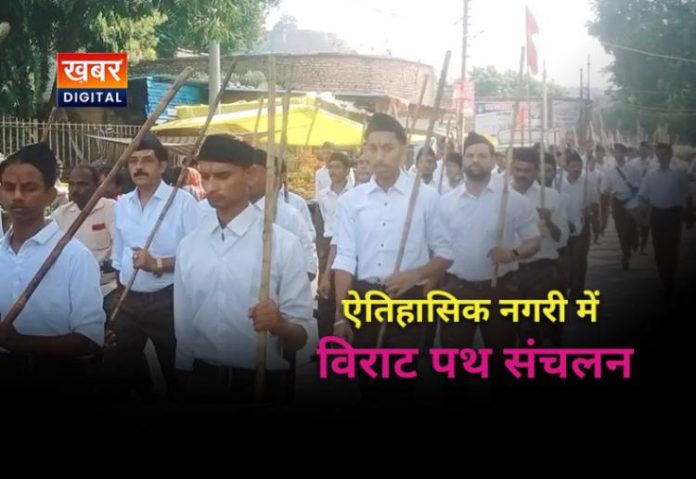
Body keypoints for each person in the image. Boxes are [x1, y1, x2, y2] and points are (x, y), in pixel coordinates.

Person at [174, 134, 313, 403]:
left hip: (262, 380)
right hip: (202, 380)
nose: (211, 186)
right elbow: (184, 327)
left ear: (249, 175)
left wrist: (279, 324)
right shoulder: (190, 246)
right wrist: (183, 376)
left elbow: (301, 337)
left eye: (223, 176)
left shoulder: (281, 245)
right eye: (205, 176)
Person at [333, 113, 453, 401]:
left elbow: (446, 254)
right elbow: (346, 257)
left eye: (388, 148)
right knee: (367, 382)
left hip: (407, 299)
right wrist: (340, 316)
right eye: (372, 148)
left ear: (403, 147)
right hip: (363, 299)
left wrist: (415, 275)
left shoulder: (425, 197)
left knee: (399, 383)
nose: (379, 156)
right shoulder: (351, 201)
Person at [0, 143, 105, 403]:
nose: (17, 197)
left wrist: (22, 343)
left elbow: (91, 339)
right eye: (8, 187)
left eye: (29, 188)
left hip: (56, 382)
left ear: (50, 194)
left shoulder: (74, 256)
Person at [438, 134, 540, 396]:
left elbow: (534, 241)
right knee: (453, 362)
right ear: (463, 161)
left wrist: (513, 252)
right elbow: (435, 247)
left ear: (493, 160)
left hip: (500, 290)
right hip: (457, 290)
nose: (475, 160)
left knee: (503, 360)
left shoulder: (512, 200)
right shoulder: (445, 203)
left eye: (482, 155)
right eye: (470, 155)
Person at [103, 133, 200, 400]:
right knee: (116, 373)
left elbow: (197, 259)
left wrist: (156, 263)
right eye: (133, 160)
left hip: (169, 301)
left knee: (178, 375)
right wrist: (120, 290)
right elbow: (120, 254)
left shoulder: (183, 203)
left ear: (163, 165)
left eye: (147, 159)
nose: (138, 166)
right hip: (128, 300)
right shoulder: (123, 205)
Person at [639, 143, 694, 298]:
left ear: (670, 155)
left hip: (674, 214)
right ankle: (664, 277)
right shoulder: (650, 174)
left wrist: (689, 216)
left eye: (665, 154)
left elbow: (687, 195)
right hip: (657, 214)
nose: (662, 157)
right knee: (659, 249)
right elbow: (643, 195)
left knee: (671, 249)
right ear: (656, 155)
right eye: (659, 154)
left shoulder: (679, 173)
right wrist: (643, 214)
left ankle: (669, 280)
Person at [51, 164, 116, 269]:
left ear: (97, 186)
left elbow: (119, 251)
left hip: (106, 282)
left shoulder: (111, 209)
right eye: (71, 184)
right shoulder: (61, 214)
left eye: (82, 184)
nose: (75, 189)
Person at [602, 143, 642, 270]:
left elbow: (640, 185)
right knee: (620, 230)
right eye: (615, 152)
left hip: (631, 201)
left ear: (625, 153)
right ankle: (626, 253)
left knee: (630, 227)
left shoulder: (633, 169)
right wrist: (609, 192)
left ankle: (633, 240)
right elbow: (604, 188)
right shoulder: (609, 171)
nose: (617, 154)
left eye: (620, 152)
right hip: (617, 203)